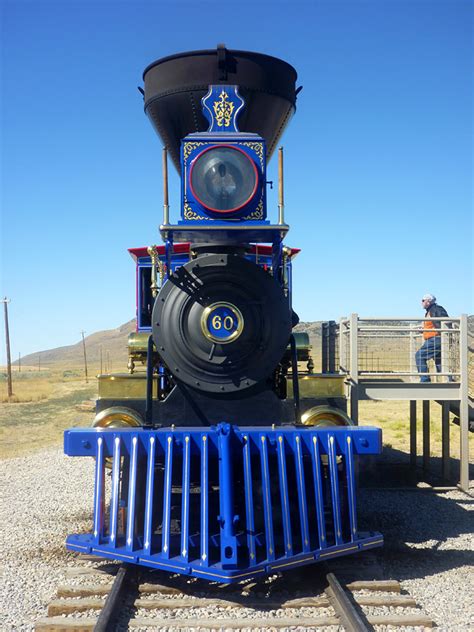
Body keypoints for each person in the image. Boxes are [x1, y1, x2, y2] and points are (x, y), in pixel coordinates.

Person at [415, 293, 449, 382]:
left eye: (423, 300)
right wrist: (423, 330)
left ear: (428, 301)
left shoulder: (437, 309)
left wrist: (443, 334)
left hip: (436, 339)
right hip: (433, 339)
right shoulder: (429, 311)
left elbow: (445, 321)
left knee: (419, 355)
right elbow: (432, 325)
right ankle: (448, 380)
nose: (421, 302)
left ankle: (425, 380)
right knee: (439, 362)